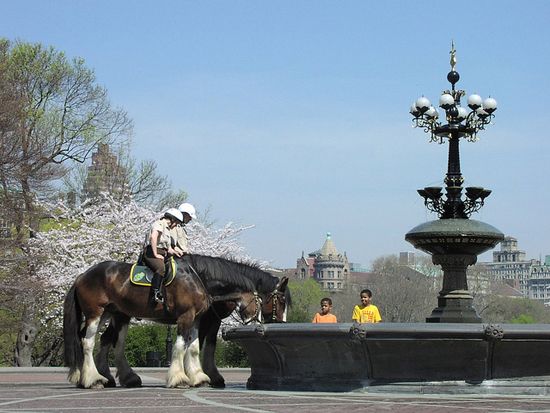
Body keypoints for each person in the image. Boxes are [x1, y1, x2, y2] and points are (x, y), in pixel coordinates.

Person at [143, 208, 183, 303]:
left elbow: (167, 248)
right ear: (173, 219)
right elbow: (153, 237)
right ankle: (155, 293)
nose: (176, 226)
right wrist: (155, 254)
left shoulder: (167, 229)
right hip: (151, 253)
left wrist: (176, 252)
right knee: (161, 268)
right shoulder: (159, 224)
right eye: (177, 223)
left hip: (163, 253)